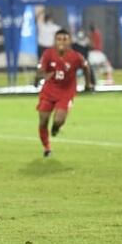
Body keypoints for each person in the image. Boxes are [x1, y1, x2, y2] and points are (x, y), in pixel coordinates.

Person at [36, 28, 93, 158]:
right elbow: (41, 69)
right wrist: (43, 75)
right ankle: (47, 147)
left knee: (58, 120)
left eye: (65, 39)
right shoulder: (48, 54)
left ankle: (55, 128)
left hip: (66, 92)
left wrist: (88, 84)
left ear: (70, 41)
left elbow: (86, 67)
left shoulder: (75, 57)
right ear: (55, 41)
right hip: (49, 91)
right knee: (43, 120)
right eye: (59, 39)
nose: (61, 42)